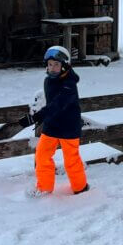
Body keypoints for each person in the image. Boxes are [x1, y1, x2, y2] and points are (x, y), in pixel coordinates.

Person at [19, 45, 89, 196]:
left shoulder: (69, 85)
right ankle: (44, 188)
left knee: (71, 160)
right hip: (52, 125)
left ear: (64, 66)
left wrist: (36, 117)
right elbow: (51, 104)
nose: (52, 68)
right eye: (50, 64)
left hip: (69, 126)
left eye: (56, 64)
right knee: (42, 155)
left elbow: (57, 105)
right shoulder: (48, 81)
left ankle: (81, 188)